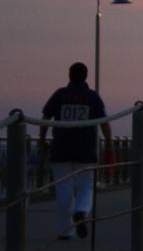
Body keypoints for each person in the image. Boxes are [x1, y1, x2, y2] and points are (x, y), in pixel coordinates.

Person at [39, 62, 112, 240]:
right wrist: (109, 143)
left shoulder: (60, 95)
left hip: (61, 150)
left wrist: (41, 140)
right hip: (86, 150)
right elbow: (104, 122)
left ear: (69, 75)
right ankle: (81, 211)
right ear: (86, 76)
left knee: (64, 190)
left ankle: (65, 231)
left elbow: (46, 118)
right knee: (86, 186)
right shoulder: (92, 97)